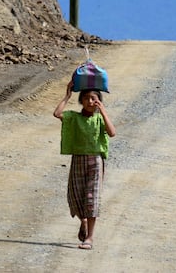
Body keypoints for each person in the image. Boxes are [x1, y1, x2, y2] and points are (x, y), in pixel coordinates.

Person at [53, 80, 116, 250]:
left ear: (98, 101)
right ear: (81, 101)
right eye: (86, 98)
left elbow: (112, 132)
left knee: (92, 198)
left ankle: (89, 238)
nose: (90, 102)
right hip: (78, 161)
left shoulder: (99, 119)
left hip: (95, 162)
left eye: (93, 99)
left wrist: (103, 111)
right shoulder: (74, 117)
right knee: (75, 196)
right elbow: (57, 114)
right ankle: (84, 221)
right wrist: (67, 95)